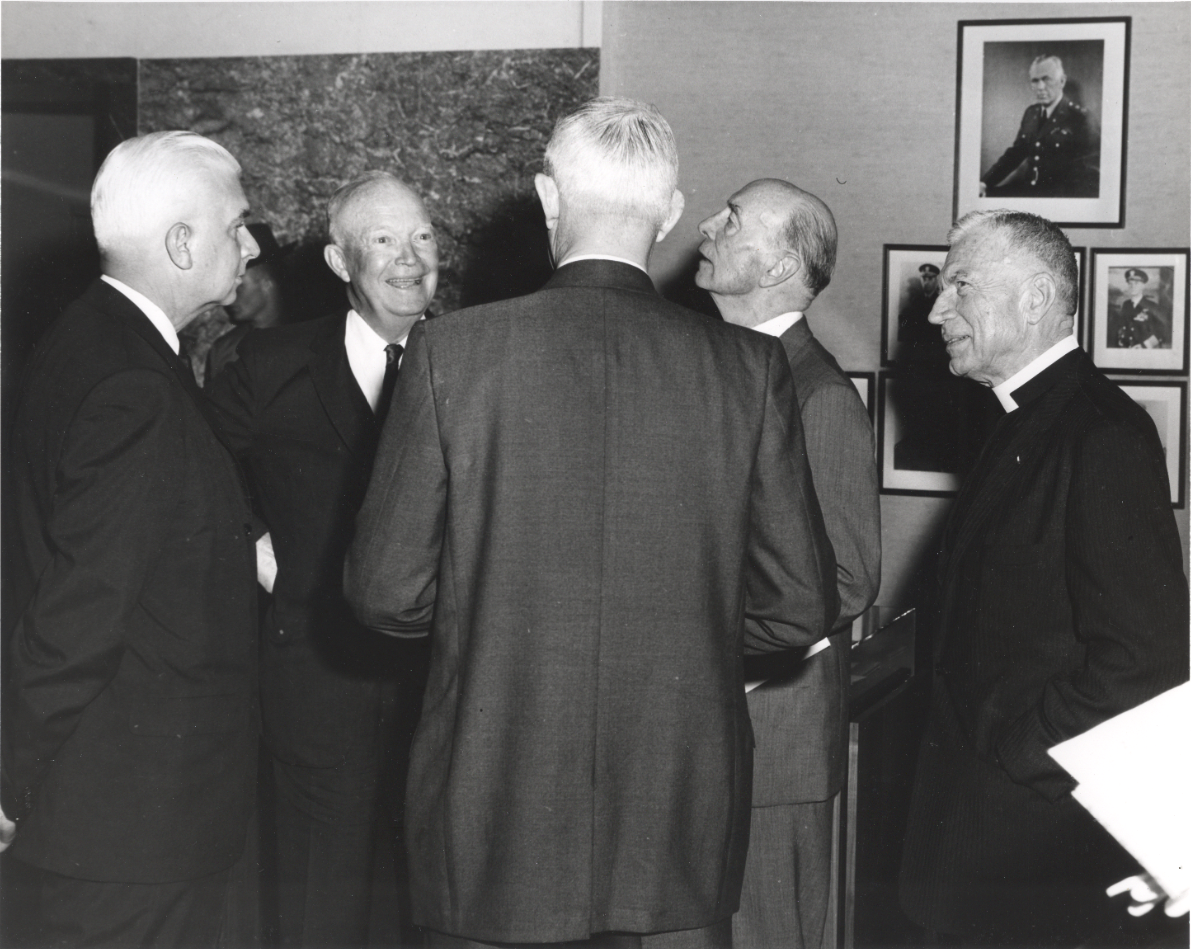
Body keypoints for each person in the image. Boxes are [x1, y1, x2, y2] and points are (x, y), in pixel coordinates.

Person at [344, 97, 839, 949]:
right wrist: (682, 643)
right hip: (674, 822)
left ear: (546, 196)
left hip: (491, 821)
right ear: (673, 211)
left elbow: (384, 591)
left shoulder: (452, 351)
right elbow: (799, 605)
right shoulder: (747, 369)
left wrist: (482, 620)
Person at [898, 209, 1189, 946]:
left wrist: (1021, 751)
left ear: (1034, 298)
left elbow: (1146, 656)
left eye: (959, 284)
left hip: (1030, 844)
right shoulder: (1019, 417)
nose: (936, 309)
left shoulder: (1100, 433)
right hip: (979, 834)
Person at [0, 131, 261, 945]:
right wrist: (8, 783)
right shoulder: (133, 384)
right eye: (238, 225)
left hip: (120, 816)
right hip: (130, 827)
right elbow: (80, 611)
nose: (250, 244)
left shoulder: (95, 339)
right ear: (182, 243)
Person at [206, 171, 435, 948]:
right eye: (384, 241)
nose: (410, 260)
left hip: (439, 692)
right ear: (340, 263)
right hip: (315, 684)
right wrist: (255, 546)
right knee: (319, 911)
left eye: (423, 239)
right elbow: (190, 474)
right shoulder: (270, 364)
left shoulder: (474, 358)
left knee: (424, 907)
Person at [695, 178, 880, 949]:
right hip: (704, 735)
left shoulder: (818, 397)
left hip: (773, 743)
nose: (706, 224)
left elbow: (845, 582)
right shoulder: (710, 370)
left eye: (732, 219)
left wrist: (702, 644)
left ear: (777, 268)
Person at [980, 55, 1098, 198]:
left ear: (1062, 81)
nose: (1041, 87)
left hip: (1059, 198)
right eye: (1035, 81)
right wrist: (985, 182)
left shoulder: (1080, 119)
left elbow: (1089, 174)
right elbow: (1015, 154)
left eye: (1047, 79)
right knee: (983, 195)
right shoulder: (1031, 113)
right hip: (1028, 190)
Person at [205, 221, 290, 382]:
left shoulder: (310, 335)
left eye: (239, 286)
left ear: (267, 282)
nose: (229, 298)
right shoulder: (223, 350)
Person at [1108, 267, 1171, 349]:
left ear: (1143, 286)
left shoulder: (1153, 306)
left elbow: (1162, 331)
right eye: (1130, 283)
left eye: (1136, 283)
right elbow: (1122, 326)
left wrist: (1145, 345)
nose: (1132, 286)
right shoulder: (1126, 304)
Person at [897, 263, 946, 366]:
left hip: (937, 356)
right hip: (917, 355)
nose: (926, 282)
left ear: (937, 279)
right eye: (924, 278)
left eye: (930, 278)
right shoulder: (916, 302)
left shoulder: (942, 302)